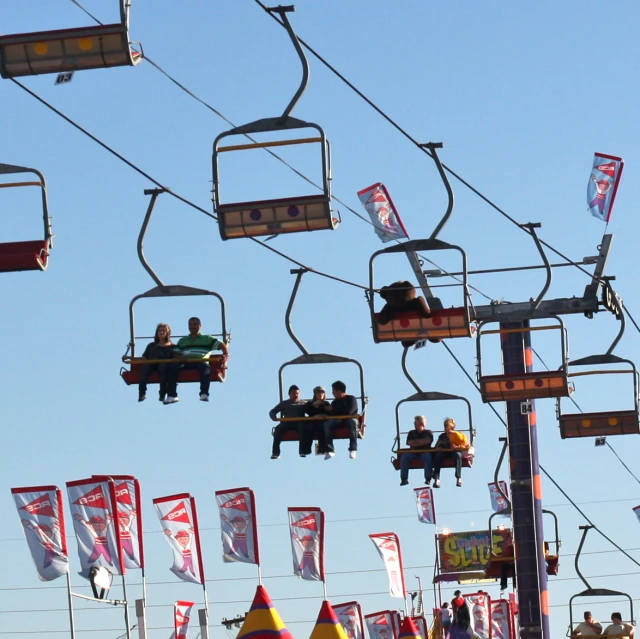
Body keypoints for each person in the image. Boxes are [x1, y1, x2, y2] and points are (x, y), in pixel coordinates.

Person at [173, 317, 229, 402]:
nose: (192, 326)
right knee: (172, 367)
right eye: (190, 325)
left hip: (200, 363)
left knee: (205, 368)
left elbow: (220, 344)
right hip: (186, 363)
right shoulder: (182, 340)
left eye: (195, 324)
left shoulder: (207, 339)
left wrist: (225, 354)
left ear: (200, 326)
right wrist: (179, 357)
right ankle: (172, 394)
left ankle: (204, 393)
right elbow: (175, 352)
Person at [137, 323, 177, 403]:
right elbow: (145, 356)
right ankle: (142, 393)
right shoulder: (151, 346)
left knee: (163, 369)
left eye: (164, 331)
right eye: (160, 330)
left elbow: (175, 359)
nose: (161, 332)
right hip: (152, 364)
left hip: (165, 366)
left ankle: (162, 393)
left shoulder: (173, 347)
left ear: (168, 333)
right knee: (145, 370)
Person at [322, 380, 359, 460]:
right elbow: (332, 414)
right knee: (327, 424)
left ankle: (353, 449)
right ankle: (330, 449)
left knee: (352, 422)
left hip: (348, 420)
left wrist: (335, 409)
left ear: (338, 391)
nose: (333, 393)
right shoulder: (335, 402)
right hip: (338, 421)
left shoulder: (351, 399)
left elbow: (349, 411)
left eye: (333, 391)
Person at [269, 385, 309, 459]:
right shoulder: (284, 404)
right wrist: (273, 416)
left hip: (299, 423)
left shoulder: (303, 403)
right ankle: (275, 453)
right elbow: (273, 411)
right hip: (287, 423)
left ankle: (302, 451)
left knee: (302, 429)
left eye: (297, 393)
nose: (295, 395)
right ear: (289, 394)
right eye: (294, 393)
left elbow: (311, 411)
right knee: (277, 430)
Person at [432, 418, 469, 488]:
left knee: (458, 455)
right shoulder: (442, 436)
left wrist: (457, 446)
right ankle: (436, 478)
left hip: (454, 452)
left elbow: (464, 444)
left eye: (446, 426)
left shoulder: (457, 435)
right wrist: (438, 448)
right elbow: (435, 447)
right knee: (438, 456)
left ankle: (458, 477)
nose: (445, 428)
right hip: (444, 452)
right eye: (444, 426)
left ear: (452, 427)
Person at [399, 415, 434, 486]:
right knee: (404, 457)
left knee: (428, 457)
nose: (417, 425)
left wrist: (416, 442)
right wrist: (421, 442)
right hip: (413, 453)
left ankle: (428, 478)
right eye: (416, 423)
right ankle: (404, 479)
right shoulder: (411, 433)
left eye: (420, 423)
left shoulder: (428, 432)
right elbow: (409, 442)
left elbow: (428, 441)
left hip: (424, 453)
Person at [304, 385, 331, 455]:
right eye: (319, 393)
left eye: (322, 393)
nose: (321, 394)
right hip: (312, 421)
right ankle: (306, 449)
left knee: (321, 427)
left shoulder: (326, 403)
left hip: (322, 421)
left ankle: (322, 448)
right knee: (309, 428)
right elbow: (307, 411)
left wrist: (323, 414)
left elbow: (329, 412)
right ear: (315, 394)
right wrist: (314, 405)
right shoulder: (310, 403)